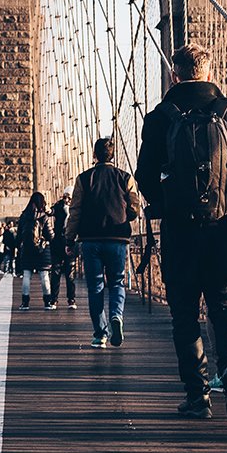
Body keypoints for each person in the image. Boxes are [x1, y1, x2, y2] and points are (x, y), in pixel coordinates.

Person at [134, 42, 227, 421]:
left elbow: (144, 176)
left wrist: (164, 202)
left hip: (179, 233)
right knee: (225, 306)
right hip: (224, 231)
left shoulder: (160, 116)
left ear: (174, 76)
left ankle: (197, 396)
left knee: (184, 317)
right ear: (210, 74)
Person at [67, 137, 142, 347]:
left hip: (90, 240)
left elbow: (75, 212)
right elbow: (135, 208)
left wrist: (69, 239)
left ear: (94, 155)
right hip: (117, 238)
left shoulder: (83, 179)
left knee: (95, 286)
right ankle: (116, 316)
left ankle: (100, 334)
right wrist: (124, 213)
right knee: (117, 282)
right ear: (113, 155)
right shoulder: (126, 178)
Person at [16, 192, 56, 310]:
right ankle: (47, 303)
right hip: (42, 251)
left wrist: (19, 248)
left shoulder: (23, 216)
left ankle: (25, 303)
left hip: (27, 250)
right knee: (44, 276)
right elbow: (50, 236)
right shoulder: (44, 217)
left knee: (26, 275)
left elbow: (19, 235)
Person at [49, 193, 77, 308]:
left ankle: (71, 299)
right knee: (55, 273)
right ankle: (53, 300)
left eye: (69, 198)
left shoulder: (76, 209)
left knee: (70, 274)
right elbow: (50, 212)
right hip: (58, 244)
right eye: (65, 197)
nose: (66, 200)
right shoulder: (58, 207)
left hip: (70, 245)